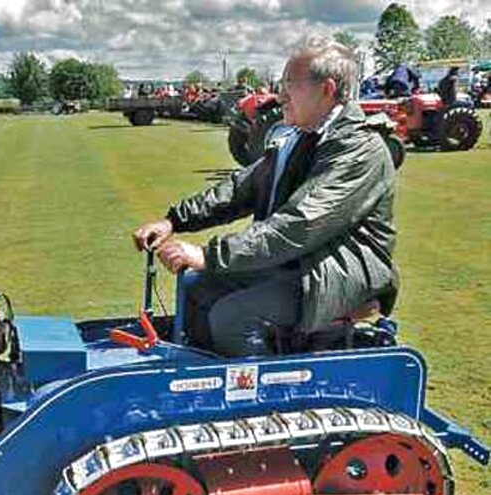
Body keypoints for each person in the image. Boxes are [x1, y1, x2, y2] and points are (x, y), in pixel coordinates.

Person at [132, 36, 398, 357]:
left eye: (289, 84)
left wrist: (210, 255)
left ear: (326, 90)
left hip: (339, 271)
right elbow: (239, 188)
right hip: (301, 262)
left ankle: (258, 401)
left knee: (232, 316)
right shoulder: (301, 137)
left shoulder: (360, 149)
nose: (280, 95)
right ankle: (203, 386)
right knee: (196, 288)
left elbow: (300, 223)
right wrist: (173, 221)